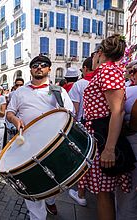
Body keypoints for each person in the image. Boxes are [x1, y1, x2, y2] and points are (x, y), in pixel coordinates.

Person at [6, 55, 74, 220]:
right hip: (27, 145)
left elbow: (70, 115)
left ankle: (50, 199)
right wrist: (15, 120)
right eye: (35, 65)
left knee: (54, 179)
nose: (39, 67)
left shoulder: (59, 92)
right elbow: (9, 113)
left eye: (43, 65)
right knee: (33, 184)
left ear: (49, 69)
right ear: (31, 69)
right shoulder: (20, 92)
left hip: (52, 145)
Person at [79, 34, 129, 220]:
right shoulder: (107, 72)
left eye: (93, 54)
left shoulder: (108, 71)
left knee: (103, 194)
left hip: (103, 136)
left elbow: (118, 111)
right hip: (99, 134)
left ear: (99, 53)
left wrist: (108, 150)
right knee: (102, 194)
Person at [68, 57, 94, 206]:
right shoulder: (99, 81)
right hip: (101, 128)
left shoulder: (80, 84)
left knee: (83, 159)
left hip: (83, 127)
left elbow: (74, 110)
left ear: (84, 68)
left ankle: (81, 193)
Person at [115, 64, 137, 220]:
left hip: (132, 140)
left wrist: (129, 127)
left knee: (127, 193)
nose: (131, 75)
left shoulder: (129, 91)